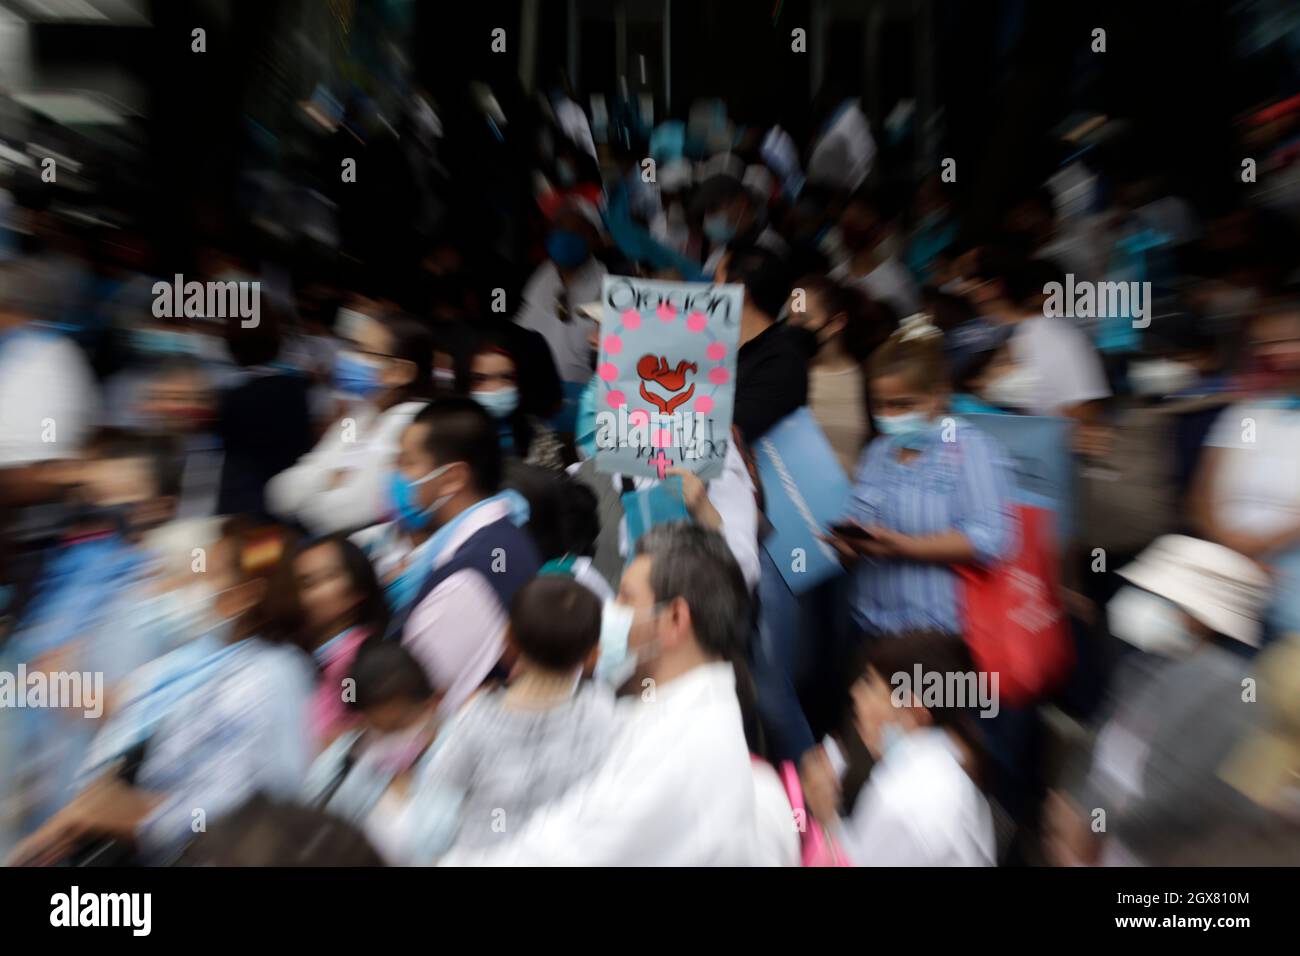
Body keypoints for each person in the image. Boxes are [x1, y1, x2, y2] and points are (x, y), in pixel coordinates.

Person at [440, 524, 761, 865]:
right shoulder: (678, 711)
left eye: (625, 597)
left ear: (675, 619)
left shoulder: (678, 746)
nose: (611, 609)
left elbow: (563, 853)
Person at [10, 520, 315, 865]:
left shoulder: (271, 675)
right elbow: (124, 711)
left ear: (247, 593)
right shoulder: (199, 659)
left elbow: (247, 806)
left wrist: (131, 817)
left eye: (208, 574)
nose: (189, 587)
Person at [1047, 536, 1274, 866]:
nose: (1147, 602)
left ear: (1198, 617)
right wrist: (1075, 806)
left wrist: (1088, 825)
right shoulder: (1144, 665)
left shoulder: (1230, 690)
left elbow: (1178, 799)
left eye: (1163, 597)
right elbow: (1098, 743)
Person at [826, 317, 1016, 637]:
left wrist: (904, 546)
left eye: (903, 405)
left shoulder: (970, 449)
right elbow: (860, 517)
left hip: (939, 635)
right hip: (873, 626)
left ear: (938, 395)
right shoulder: (878, 452)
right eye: (881, 405)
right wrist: (849, 545)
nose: (889, 416)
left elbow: (991, 537)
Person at [421, 575, 619, 850]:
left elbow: (430, 814)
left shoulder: (474, 719)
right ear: (594, 655)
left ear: (508, 641)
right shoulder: (603, 709)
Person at [389, 399, 540, 715]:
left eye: (408, 463)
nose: (397, 476)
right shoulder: (495, 535)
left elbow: (410, 703)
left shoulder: (468, 577)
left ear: (453, 478)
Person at [831, 631, 996, 866]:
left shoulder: (900, 800)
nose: (855, 692)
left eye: (870, 683)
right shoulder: (952, 773)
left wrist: (826, 820)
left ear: (914, 711)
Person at [266, 310, 432, 535]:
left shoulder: (413, 426)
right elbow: (279, 493)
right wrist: (328, 478)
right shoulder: (360, 416)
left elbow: (339, 516)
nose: (349, 358)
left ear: (401, 372)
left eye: (365, 351)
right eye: (353, 347)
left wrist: (327, 478)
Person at [300, 641, 460, 865]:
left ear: (433, 703)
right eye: (378, 728)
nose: (390, 739)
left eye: (400, 725)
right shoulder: (341, 765)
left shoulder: (470, 754)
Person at [512, 200, 608, 430]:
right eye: (559, 228)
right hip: (532, 400)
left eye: (577, 230)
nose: (565, 236)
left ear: (594, 239)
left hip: (579, 405)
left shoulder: (609, 286)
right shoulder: (541, 276)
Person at [291, 535, 392, 746]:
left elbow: (352, 725)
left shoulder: (355, 663)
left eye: (328, 578)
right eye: (305, 582)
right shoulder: (312, 657)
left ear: (358, 587)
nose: (312, 594)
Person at [786, 275, 892, 473]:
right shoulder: (781, 374)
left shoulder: (868, 379)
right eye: (789, 317)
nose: (792, 326)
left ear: (836, 323)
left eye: (803, 318)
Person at [214, 310, 314, 518]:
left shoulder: (231, 397)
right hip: (292, 497)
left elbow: (226, 446)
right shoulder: (297, 388)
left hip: (245, 502)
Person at [716, 242, 808, 444]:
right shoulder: (719, 342)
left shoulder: (782, 363)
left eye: (716, 280)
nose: (710, 290)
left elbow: (724, 430)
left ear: (739, 289)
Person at [457, 334, 565, 469]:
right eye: (479, 379)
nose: (494, 388)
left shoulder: (540, 436)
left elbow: (552, 484)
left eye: (507, 377)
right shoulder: (449, 437)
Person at [830, 190, 921, 321]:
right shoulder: (835, 278)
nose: (849, 234)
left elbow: (914, 323)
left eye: (855, 225)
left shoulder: (896, 278)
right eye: (845, 226)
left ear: (880, 233)